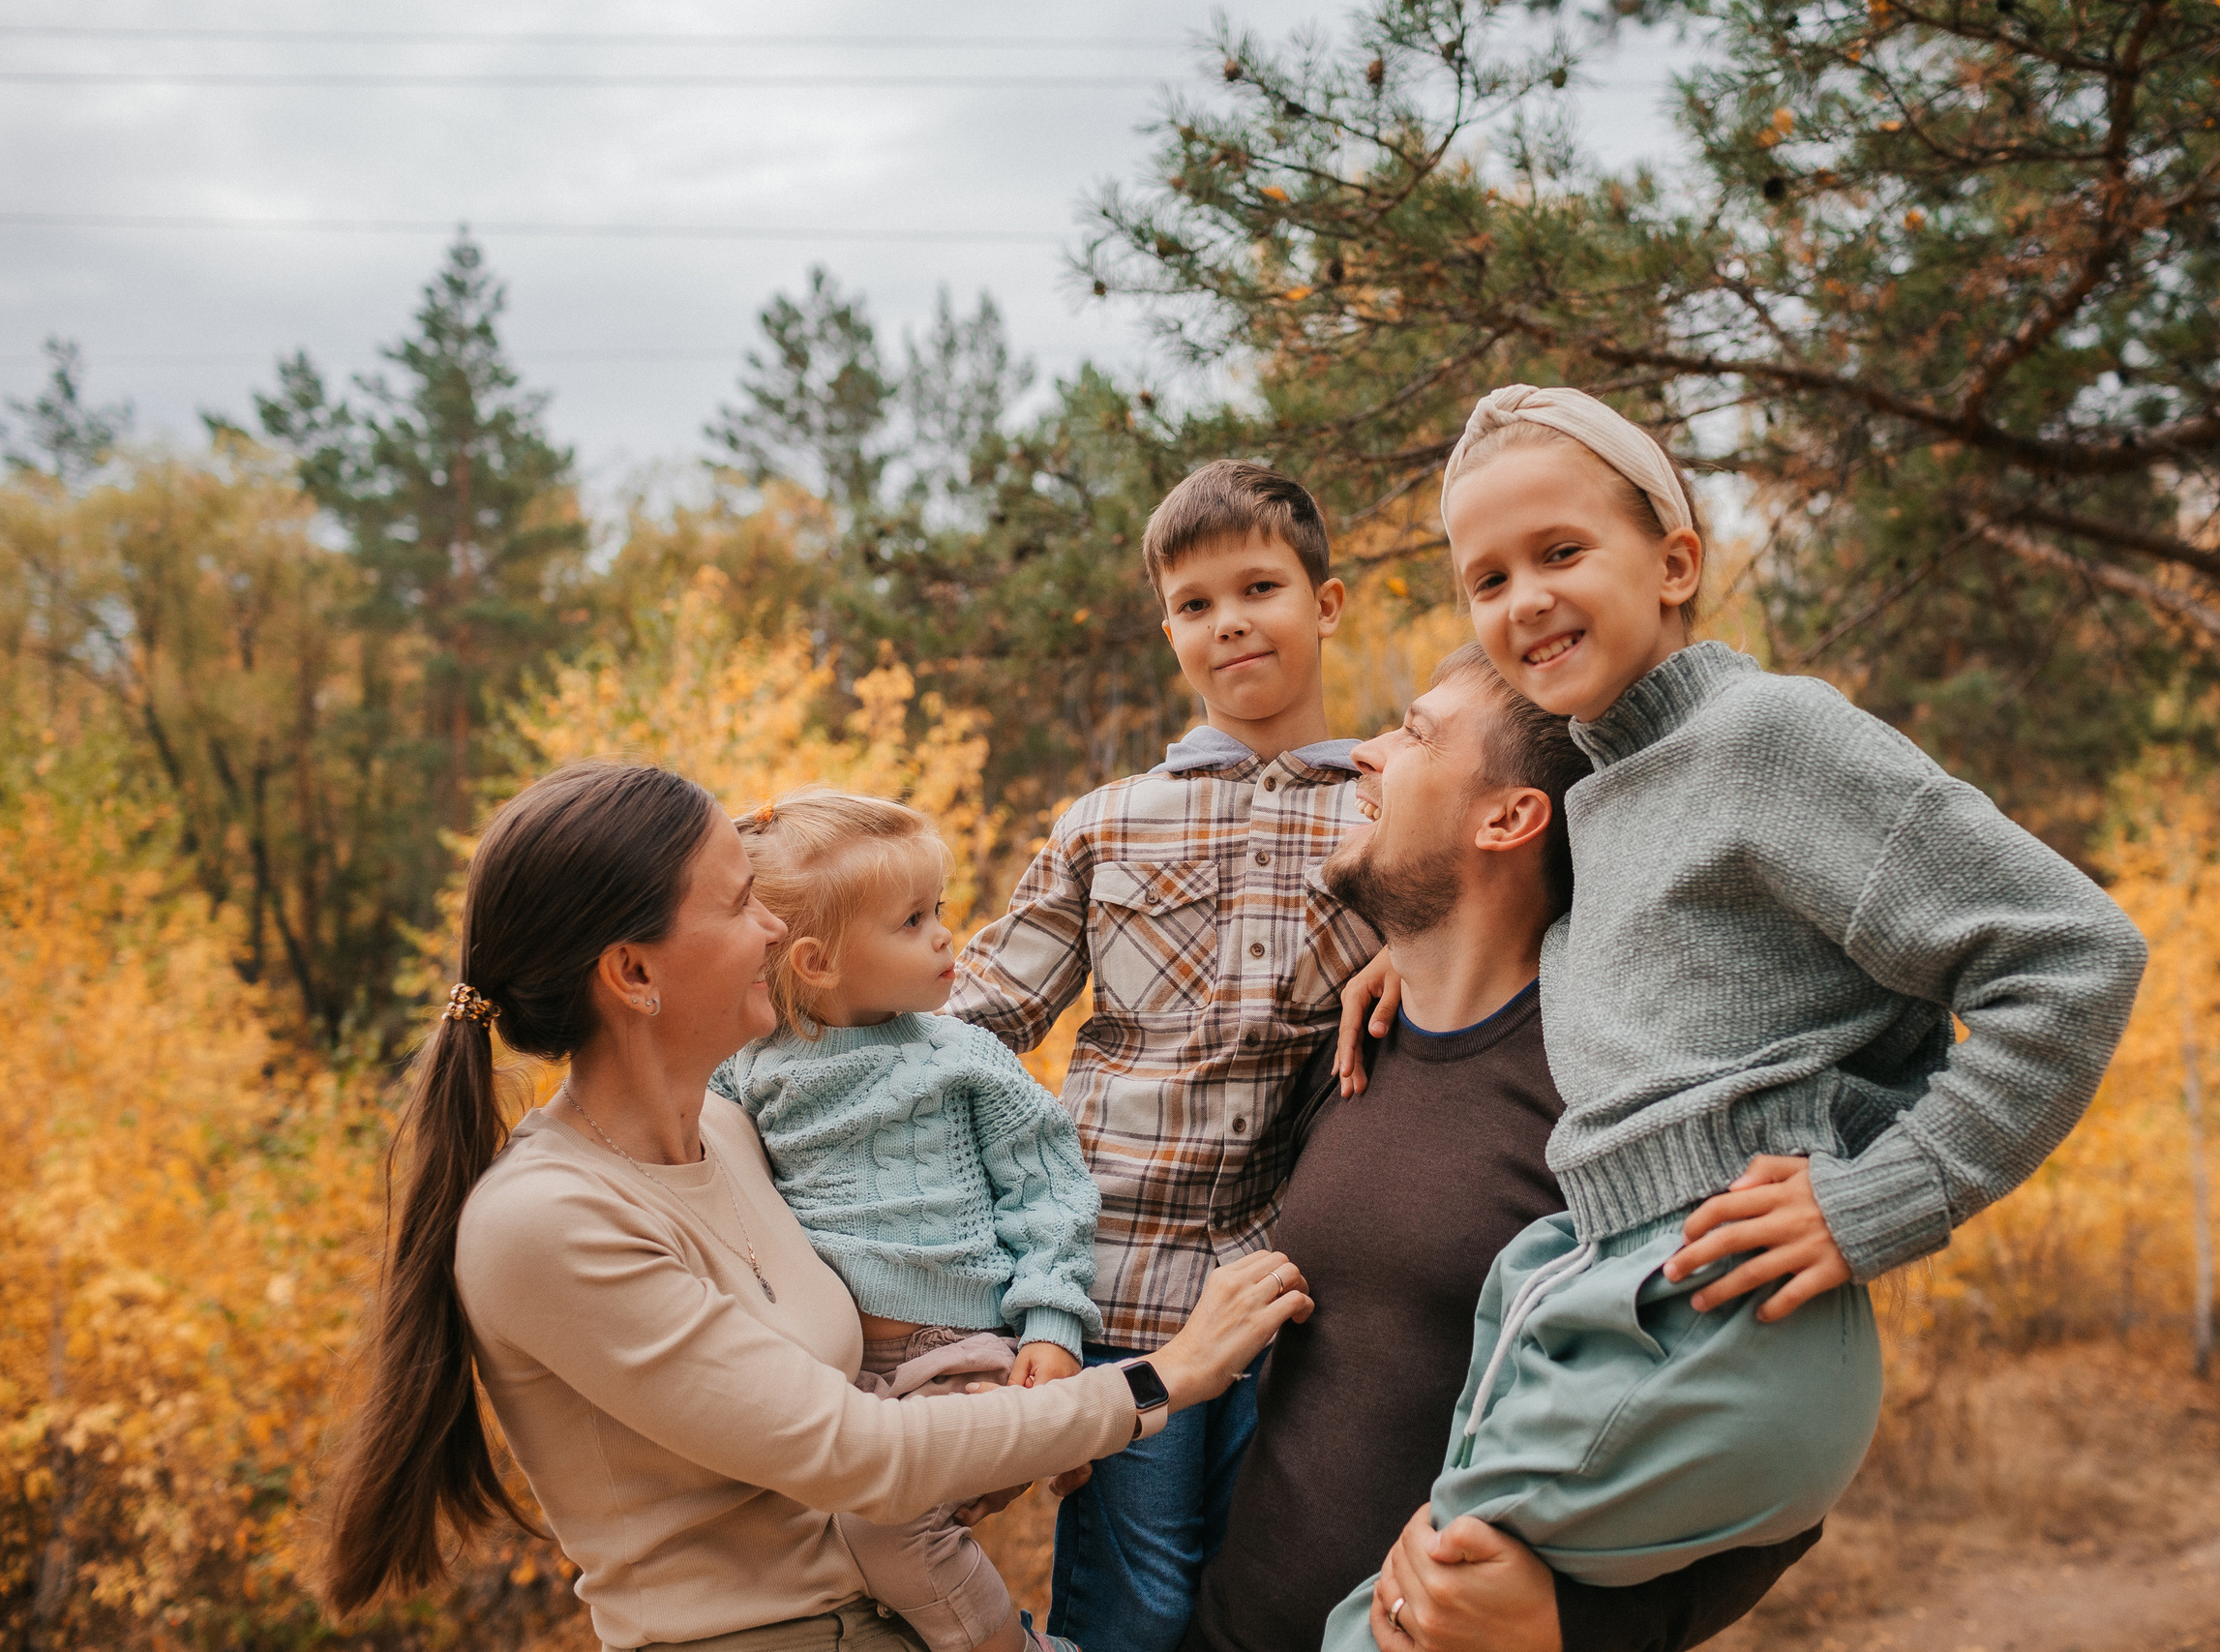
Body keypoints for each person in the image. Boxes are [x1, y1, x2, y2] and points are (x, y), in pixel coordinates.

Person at [1331, 386, 2150, 1648]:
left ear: (1674, 564)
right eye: (1486, 578)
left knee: (1404, 1621)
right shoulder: (1605, 794)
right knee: (1406, 1615)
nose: (1524, 599)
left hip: (1720, 1306)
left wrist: (1885, 1194)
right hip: (1622, 1295)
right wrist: (1412, 959)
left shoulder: (1768, 737)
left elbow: (2073, 955)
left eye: (1560, 551)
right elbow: (1663, 975)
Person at [317, 761, 1314, 1652]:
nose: (774, 928)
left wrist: (1000, 1407)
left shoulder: (734, 1133)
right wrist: (1161, 1379)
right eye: (741, 903)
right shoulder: (544, 1221)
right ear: (633, 973)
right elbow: (858, 1454)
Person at [1185, 645, 1822, 1652]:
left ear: (1509, 818)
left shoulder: (1617, 1106)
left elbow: (1776, 1453)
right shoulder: (1347, 1043)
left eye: (1415, 732)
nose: (1364, 751)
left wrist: (1571, 1626)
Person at [947, 461, 1381, 1652]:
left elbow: (1476, 954)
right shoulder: (1106, 821)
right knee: (1133, 1607)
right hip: (1114, 1290)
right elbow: (977, 1022)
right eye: (1195, 604)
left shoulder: (1387, 814)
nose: (1228, 621)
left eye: (1259, 588)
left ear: (1326, 604)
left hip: (1292, 1295)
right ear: (1169, 633)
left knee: (1266, 1601)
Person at [710, 788, 1106, 1652]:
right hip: (835, 1376)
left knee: (888, 1529)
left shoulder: (960, 1055)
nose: (944, 936)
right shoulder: (746, 1068)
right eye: (913, 920)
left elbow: (1049, 1190)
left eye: (940, 910)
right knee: (826, 1548)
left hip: (957, 1350)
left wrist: (1053, 1326)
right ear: (815, 961)